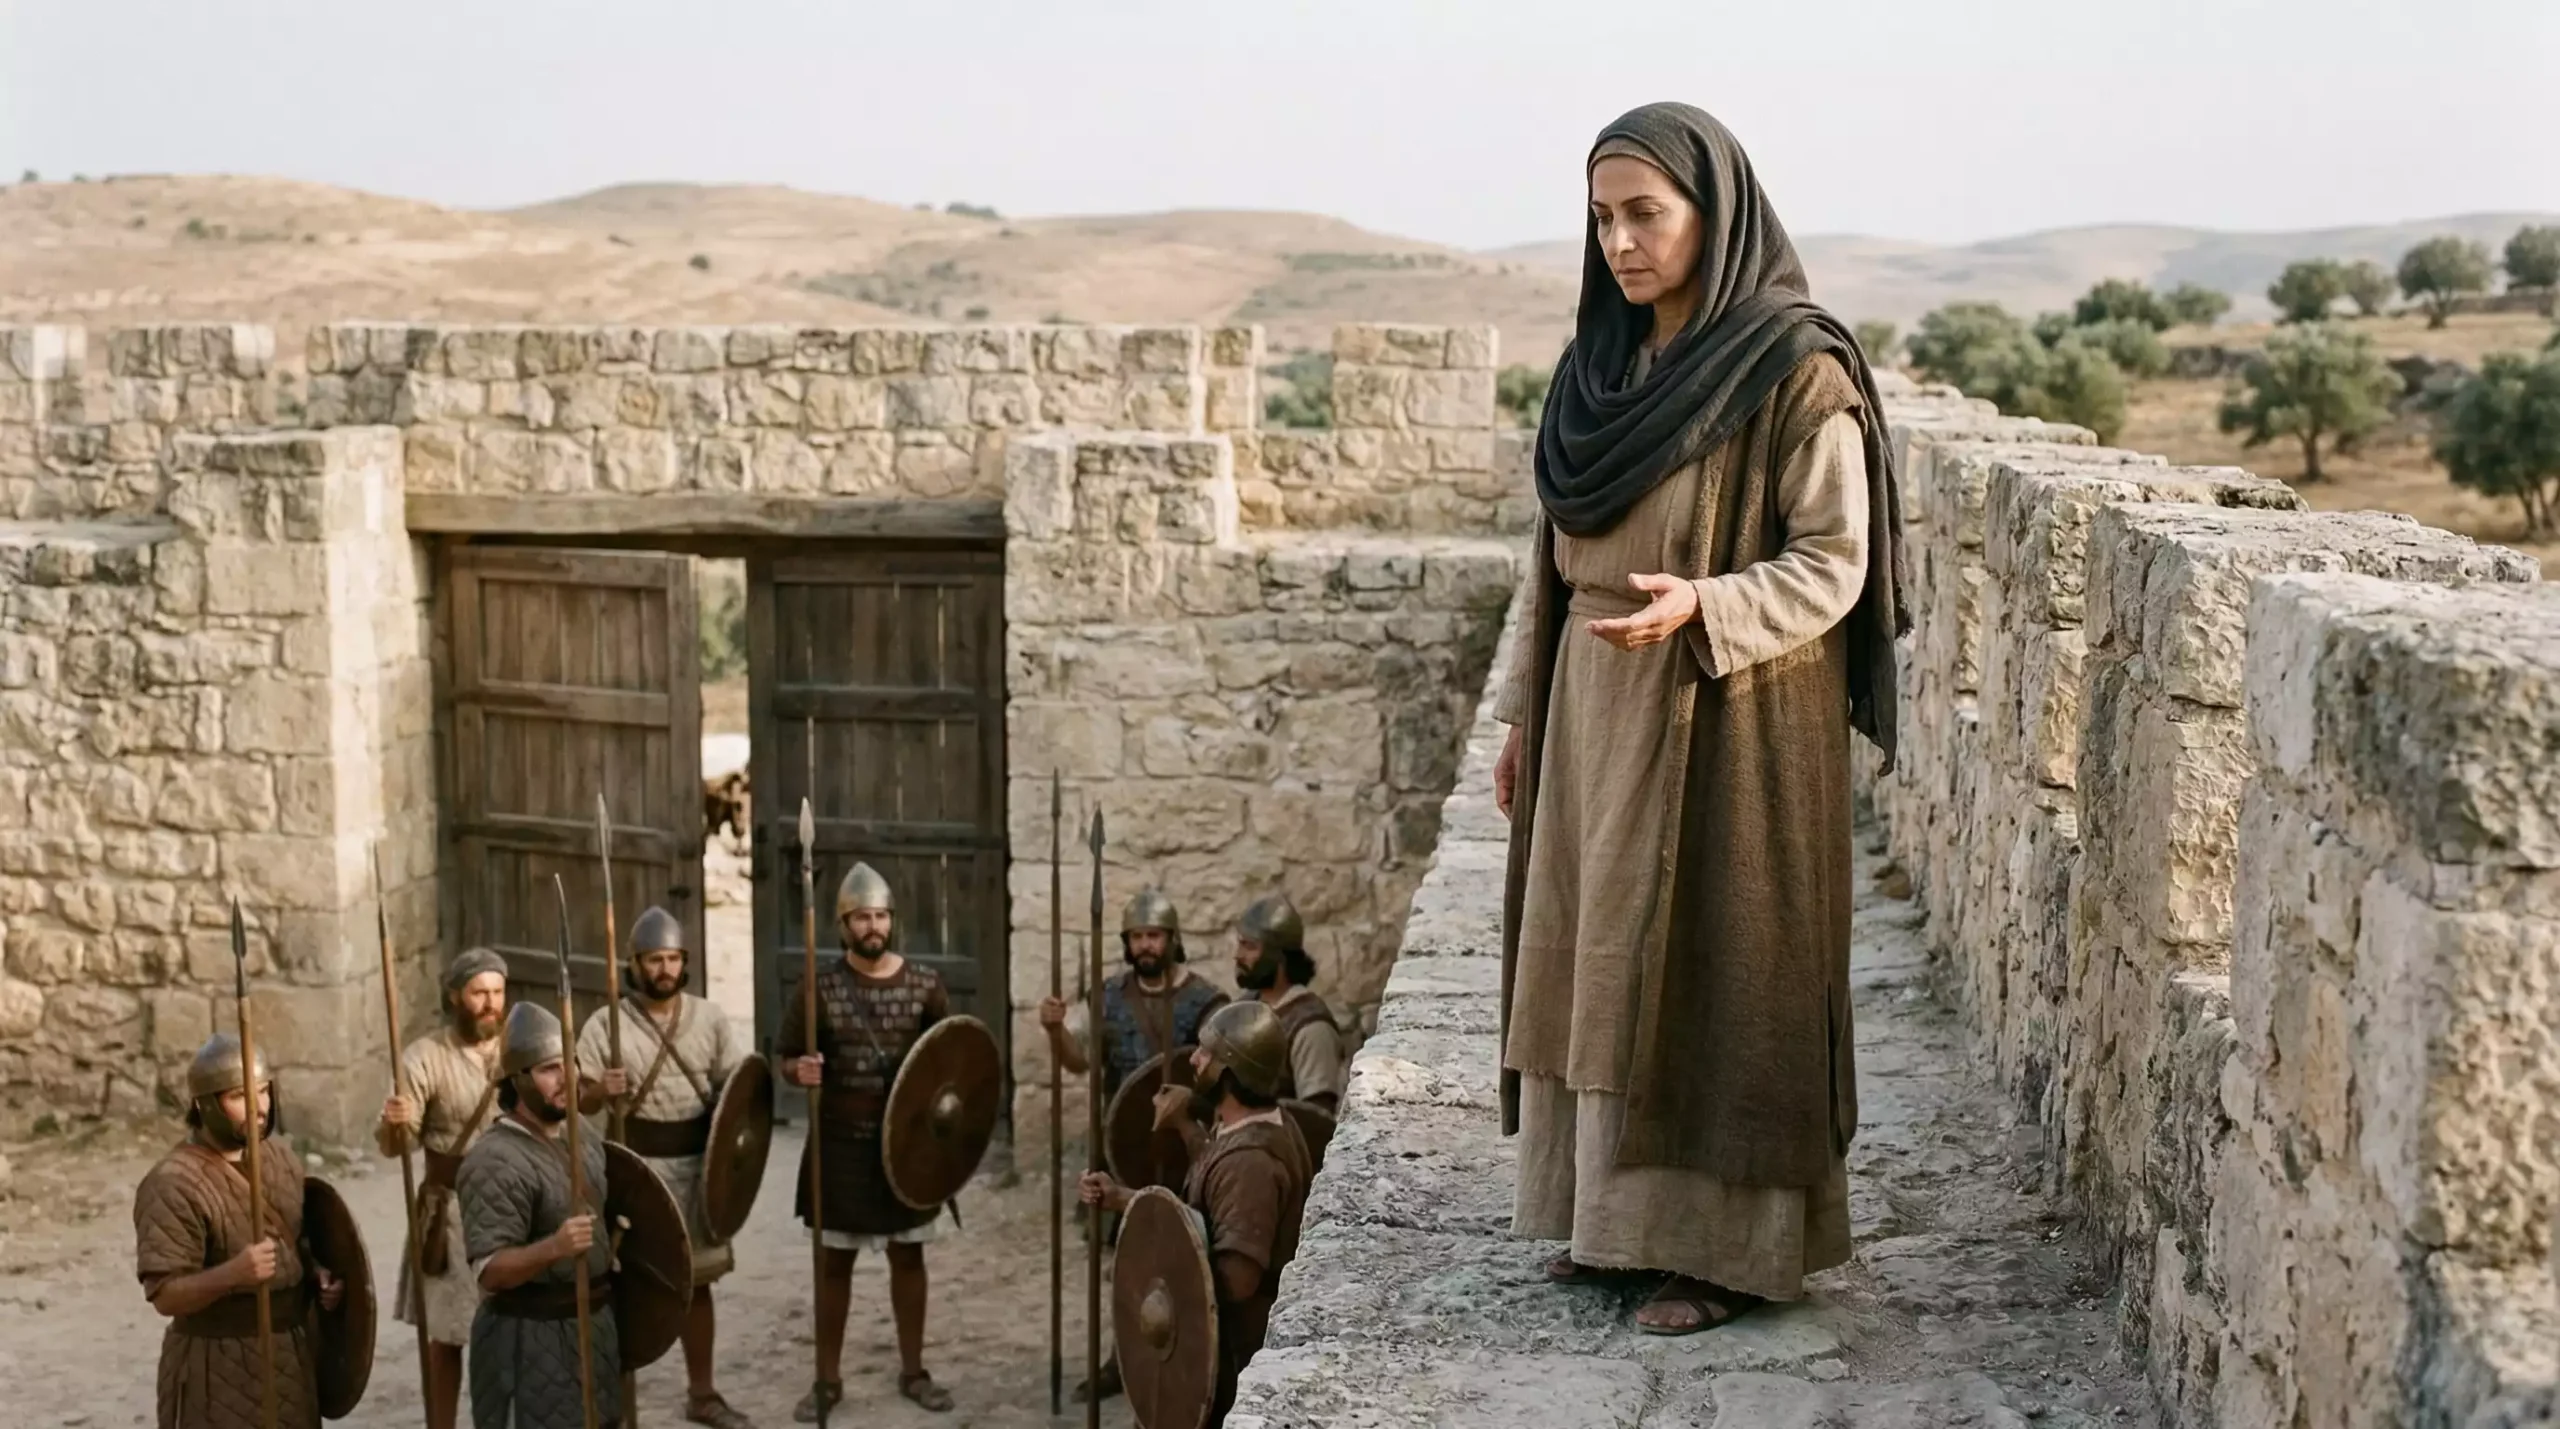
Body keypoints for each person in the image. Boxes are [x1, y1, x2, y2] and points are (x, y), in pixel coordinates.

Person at [1491, 101, 1907, 1336]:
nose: (1620, 241)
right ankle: (1608, 1224)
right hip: (1591, 705)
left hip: (1720, 707)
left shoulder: (1792, 368)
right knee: (1594, 957)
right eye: (1601, 217)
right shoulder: (1597, 374)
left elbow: (1835, 561)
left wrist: (1709, 605)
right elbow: (1550, 569)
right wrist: (1525, 715)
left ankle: (1721, 1253)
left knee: (1706, 971)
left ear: (1712, 214)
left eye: (1645, 214)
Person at [1080, 1001, 1312, 1427]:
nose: (1194, 1059)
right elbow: (1205, 1211)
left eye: (1205, 1053)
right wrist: (1122, 1198)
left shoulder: (1252, 1165)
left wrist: (1168, 1275)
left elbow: (1236, 1280)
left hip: (1232, 1361)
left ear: (1228, 1072)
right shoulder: (1248, 1125)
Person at [1037, 887, 1229, 1403]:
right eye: (1138, 936)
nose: (1146, 945)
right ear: (1127, 941)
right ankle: (1123, 1355)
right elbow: (1080, 1064)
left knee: (1190, 1250)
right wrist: (1055, 1033)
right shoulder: (1108, 997)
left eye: (1155, 935)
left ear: (1172, 939)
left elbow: (1218, 1075)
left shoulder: (1206, 1001)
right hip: (1123, 1147)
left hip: (1186, 1147)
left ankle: (1193, 1350)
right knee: (1126, 1255)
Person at [778, 861, 956, 1418]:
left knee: (909, 1256)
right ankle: (827, 1380)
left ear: (891, 920)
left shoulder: (926, 984)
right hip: (841, 1143)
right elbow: (784, 1055)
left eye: (880, 916)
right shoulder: (819, 985)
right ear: (843, 924)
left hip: (905, 1148)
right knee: (834, 1265)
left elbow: (949, 1062)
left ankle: (913, 1370)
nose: (872, 926)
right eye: (861, 918)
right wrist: (797, 1070)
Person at [576, 907, 755, 1429]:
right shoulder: (606, 1024)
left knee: (697, 1287)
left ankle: (702, 1393)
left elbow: (736, 1090)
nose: (664, 969)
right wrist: (597, 1091)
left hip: (697, 1168)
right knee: (628, 1288)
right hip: (635, 1176)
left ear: (685, 963)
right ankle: (619, 1405)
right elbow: (578, 1100)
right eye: (654, 959)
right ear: (635, 964)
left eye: (673, 959)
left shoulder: (710, 1019)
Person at [134, 1033, 346, 1429]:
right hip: (215, 1368)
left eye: (263, 1092)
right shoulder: (171, 1183)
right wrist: (233, 1274)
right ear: (205, 1105)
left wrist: (317, 1273)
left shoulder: (280, 1159)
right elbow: (165, 1294)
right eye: (238, 1097)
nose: (258, 1107)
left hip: (289, 1359)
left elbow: (296, 1240)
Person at [459, 1001, 621, 1429]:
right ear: (518, 1079)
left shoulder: (582, 1135)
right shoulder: (494, 1160)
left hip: (593, 1333)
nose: (566, 1077)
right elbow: (490, 1271)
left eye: (570, 1064)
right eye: (550, 1069)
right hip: (527, 1343)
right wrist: (555, 1247)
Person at [376, 945, 510, 1429]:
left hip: (513, 1209)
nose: (490, 1003)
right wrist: (398, 1123)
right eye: (479, 993)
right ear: (456, 996)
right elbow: (396, 1147)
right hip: (450, 1212)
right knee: (448, 1336)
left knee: (510, 1332)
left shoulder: (522, 1047)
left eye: (497, 992)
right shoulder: (423, 1058)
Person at [1231, 893, 1345, 1112]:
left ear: (1278, 956)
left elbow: (1315, 1119)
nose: (1238, 955)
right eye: (1240, 944)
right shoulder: (1245, 1007)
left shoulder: (1311, 1028)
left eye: (1250, 947)